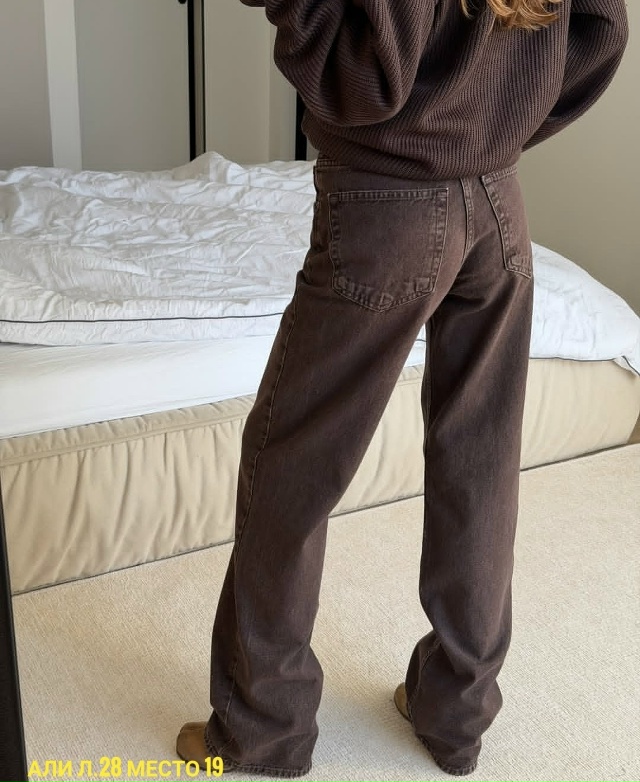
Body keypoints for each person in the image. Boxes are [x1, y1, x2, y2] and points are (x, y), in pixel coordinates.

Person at [177, 0, 628, 776]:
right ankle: (456, 714)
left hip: (387, 209)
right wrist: (498, 124)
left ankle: (263, 728)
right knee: (480, 462)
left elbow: (364, 80)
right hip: (499, 204)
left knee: (291, 464)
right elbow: (604, 29)